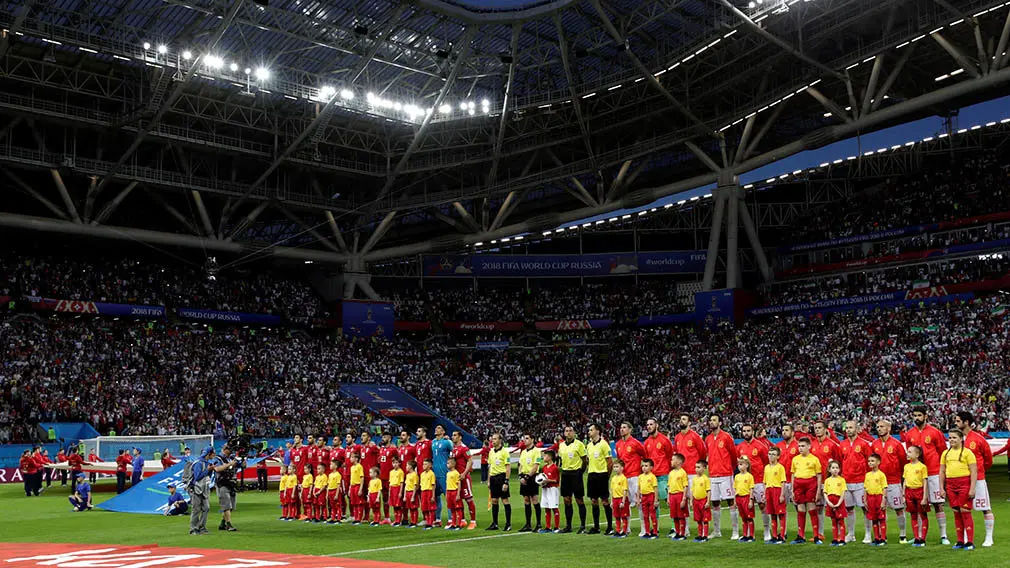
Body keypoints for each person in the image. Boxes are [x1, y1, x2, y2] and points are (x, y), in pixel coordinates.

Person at [903, 406, 949, 544]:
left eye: (919, 415)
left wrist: (943, 471)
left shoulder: (935, 432)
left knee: (938, 504)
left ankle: (943, 535)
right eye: (915, 415)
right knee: (917, 506)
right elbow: (909, 451)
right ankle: (918, 536)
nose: (917, 418)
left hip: (933, 472)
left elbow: (943, 452)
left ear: (925, 416)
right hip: (916, 475)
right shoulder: (910, 434)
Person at [955, 410, 995, 547]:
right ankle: (967, 537)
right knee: (964, 509)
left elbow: (988, 459)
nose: (955, 423)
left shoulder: (978, 439)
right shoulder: (957, 440)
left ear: (966, 422)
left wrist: (979, 472)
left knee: (985, 507)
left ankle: (989, 537)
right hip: (962, 480)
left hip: (978, 479)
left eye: (958, 421)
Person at [940, 429, 978, 550]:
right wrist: (941, 488)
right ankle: (960, 541)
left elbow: (973, 471)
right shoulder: (945, 453)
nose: (951, 440)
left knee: (965, 511)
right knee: (956, 512)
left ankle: (970, 541)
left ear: (961, 439)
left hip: (964, 483)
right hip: (951, 484)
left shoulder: (968, 453)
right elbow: (941, 471)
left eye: (954, 438)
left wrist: (972, 488)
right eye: (950, 438)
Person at [871, 419, 908, 543]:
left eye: (882, 426)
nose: (879, 428)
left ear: (889, 428)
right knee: (881, 510)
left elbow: (903, 463)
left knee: (898, 508)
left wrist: (901, 481)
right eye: (878, 426)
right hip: (878, 483)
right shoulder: (874, 444)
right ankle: (882, 535)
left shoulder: (897, 444)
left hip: (893, 482)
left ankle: (902, 534)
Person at [838, 420, 871, 544]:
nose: (848, 430)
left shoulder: (864, 444)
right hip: (846, 481)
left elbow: (870, 462)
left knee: (865, 508)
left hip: (861, 481)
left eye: (851, 427)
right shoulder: (842, 444)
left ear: (857, 429)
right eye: (847, 428)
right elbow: (840, 462)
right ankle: (851, 534)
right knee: (848, 508)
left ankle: (868, 533)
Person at [705, 414, 737, 539]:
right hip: (713, 474)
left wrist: (729, 468)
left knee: (730, 501)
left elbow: (733, 455)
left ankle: (735, 531)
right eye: (710, 420)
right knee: (715, 502)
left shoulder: (726, 437)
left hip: (725, 474)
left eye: (714, 420)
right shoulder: (707, 439)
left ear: (720, 423)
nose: (712, 422)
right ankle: (717, 531)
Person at [737, 424, 769, 541]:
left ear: (752, 431)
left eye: (748, 431)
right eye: (744, 431)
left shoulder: (760, 446)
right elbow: (738, 463)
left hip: (758, 480)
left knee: (762, 505)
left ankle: (766, 531)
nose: (746, 433)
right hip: (745, 482)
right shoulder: (739, 447)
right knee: (746, 508)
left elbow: (766, 463)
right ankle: (749, 533)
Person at [189, 446, 229, 535]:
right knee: (196, 509)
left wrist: (210, 471)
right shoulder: (198, 463)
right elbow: (197, 477)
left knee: (206, 508)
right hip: (196, 488)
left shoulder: (207, 462)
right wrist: (208, 470)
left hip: (204, 488)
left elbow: (208, 477)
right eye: (213, 453)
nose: (214, 454)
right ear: (209, 454)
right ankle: (193, 529)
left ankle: (202, 527)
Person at [810, 421, 839, 542]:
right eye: (815, 428)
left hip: (830, 481)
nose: (817, 430)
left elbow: (838, 462)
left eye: (819, 428)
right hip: (816, 481)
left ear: (825, 429)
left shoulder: (832, 444)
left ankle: (839, 534)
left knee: (834, 506)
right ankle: (820, 533)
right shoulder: (812, 445)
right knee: (818, 507)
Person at [615, 421, 646, 535]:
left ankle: (644, 528)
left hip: (634, 476)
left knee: (639, 503)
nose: (622, 429)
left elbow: (645, 455)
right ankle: (626, 528)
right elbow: (619, 460)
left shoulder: (635, 443)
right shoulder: (618, 444)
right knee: (625, 504)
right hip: (623, 478)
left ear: (630, 430)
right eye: (621, 427)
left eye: (624, 427)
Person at [790, 437, 822, 544]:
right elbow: (793, 474)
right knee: (800, 510)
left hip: (810, 484)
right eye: (799, 446)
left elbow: (819, 475)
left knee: (812, 509)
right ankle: (801, 536)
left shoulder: (814, 459)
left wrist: (818, 491)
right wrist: (792, 490)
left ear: (809, 446)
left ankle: (816, 536)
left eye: (803, 446)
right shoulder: (795, 459)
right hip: (798, 485)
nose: (800, 448)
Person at [558, 424, 587, 534]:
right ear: (564, 433)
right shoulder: (561, 446)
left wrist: (581, 471)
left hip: (576, 473)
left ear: (574, 433)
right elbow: (561, 459)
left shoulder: (579, 444)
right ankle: (568, 525)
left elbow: (584, 459)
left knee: (579, 499)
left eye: (570, 430)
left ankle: (583, 525)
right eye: (566, 431)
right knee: (566, 500)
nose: (568, 432)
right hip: (565, 474)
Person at [586, 423, 613, 535]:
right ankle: (596, 527)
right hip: (591, 475)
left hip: (601, 474)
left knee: (605, 500)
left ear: (597, 431)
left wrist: (606, 476)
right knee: (593, 500)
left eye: (591, 430)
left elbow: (610, 462)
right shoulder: (588, 445)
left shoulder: (604, 444)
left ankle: (610, 527)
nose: (589, 432)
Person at [644, 418, 674, 515]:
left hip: (663, 474)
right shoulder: (647, 442)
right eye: (648, 425)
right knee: (653, 501)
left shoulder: (664, 440)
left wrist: (669, 471)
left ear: (657, 425)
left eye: (651, 424)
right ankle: (655, 527)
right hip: (652, 476)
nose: (649, 426)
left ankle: (675, 526)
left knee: (668, 500)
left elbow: (670, 456)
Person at [449, 430, 477, 529]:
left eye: (455, 435)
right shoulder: (453, 449)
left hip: (464, 478)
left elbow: (470, 460)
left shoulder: (464, 448)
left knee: (468, 499)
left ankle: (473, 521)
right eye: (452, 435)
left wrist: (465, 473)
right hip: (456, 479)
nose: (453, 437)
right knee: (458, 500)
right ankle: (463, 520)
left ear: (460, 437)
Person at [903, 445, 929, 546]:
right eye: (907, 451)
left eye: (909, 452)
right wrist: (903, 494)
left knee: (923, 514)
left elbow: (925, 481)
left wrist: (925, 497)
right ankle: (916, 538)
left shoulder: (922, 467)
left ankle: (923, 538)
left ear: (917, 454)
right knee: (913, 515)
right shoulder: (906, 466)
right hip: (909, 492)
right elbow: (905, 480)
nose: (907, 454)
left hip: (919, 491)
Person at [485, 432, 512, 531]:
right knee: (494, 500)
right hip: (493, 478)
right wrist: (488, 480)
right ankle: (495, 523)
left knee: (505, 500)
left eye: (495, 439)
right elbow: (490, 466)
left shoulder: (505, 452)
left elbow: (508, 467)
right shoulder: (491, 451)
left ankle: (508, 523)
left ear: (500, 440)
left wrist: (506, 481)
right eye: (492, 439)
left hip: (501, 477)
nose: (493, 441)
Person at [517, 433, 542, 532]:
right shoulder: (523, 452)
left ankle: (539, 524)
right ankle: (528, 524)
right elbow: (520, 465)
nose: (525, 440)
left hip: (532, 477)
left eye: (527, 438)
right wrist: (520, 476)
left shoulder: (537, 451)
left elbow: (536, 465)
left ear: (532, 439)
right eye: (524, 439)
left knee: (534, 499)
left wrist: (527, 477)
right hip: (524, 476)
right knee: (526, 499)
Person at [430, 425, 453, 527]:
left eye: (439, 428)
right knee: (436, 497)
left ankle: (451, 519)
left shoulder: (447, 442)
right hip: (435, 474)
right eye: (436, 428)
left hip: (444, 474)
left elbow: (455, 450)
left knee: (448, 497)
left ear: (443, 431)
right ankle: (438, 519)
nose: (436, 429)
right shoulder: (433, 442)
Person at [764, 447, 787, 544]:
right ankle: (774, 536)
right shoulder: (766, 467)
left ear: (778, 456)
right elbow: (765, 482)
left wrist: (782, 495)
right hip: (769, 490)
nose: (771, 456)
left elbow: (783, 482)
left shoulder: (780, 467)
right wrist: (765, 494)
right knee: (772, 514)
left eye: (773, 454)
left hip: (777, 490)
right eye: (769, 454)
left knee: (781, 514)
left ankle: (782, 536)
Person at [215, 445, 241, 531]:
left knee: (231, 506)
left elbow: (241, 466)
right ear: (224, 449)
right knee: (226, 505)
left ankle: (223, 523)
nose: (231, 451)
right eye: (230, 449)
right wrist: (230, 464)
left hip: (231, 483)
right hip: (222, 483)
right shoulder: (218, 458)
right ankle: (228, 524)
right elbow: (217, 469)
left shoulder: (232, 458)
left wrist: (243, 462)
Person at [865, 453, 888, 546]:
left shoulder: (881, 475)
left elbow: (884, 488)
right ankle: (876, 538)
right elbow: (865, 488)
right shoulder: (867, 475)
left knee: (881, 518)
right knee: (873, 519)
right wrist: (865, 500)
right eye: (869, 461)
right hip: (870, 498)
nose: (870, 463)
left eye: (872, 461)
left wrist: (883, 500)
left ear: (878, 462)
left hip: (878, 497)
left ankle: (883, 538)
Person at [823, 460, 847, 546]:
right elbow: (825, 493)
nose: (835, 469)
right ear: (829, 469)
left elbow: (843, 493)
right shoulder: (827, 481)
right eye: (833, 468)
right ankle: (835, 539)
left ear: (839, 469)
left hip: (838, 502)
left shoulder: (842, 480)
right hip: (830, 502)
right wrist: (828, 503)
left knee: (840, 521)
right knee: (833, 521)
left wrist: (838, 503)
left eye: (837, 468)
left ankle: (842, 539)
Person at [733, 457, 755, 542]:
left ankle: (752, 536)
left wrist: (751, 500)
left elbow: (751, 489)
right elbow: (735, 489)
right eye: (739, 464)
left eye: (741, 464)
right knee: (743, 518)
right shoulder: (737, 477)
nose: (739, 466)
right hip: (739, 498)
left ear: (746, 465)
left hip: (746, 497)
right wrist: (735, 500)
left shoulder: (749, 476)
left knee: (749, 517)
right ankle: (745, 535)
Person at [668, 454, 689, 540]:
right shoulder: (671, 473)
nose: (671, 461)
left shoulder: (682, 473)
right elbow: (669, 486)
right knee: (675, 516)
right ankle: (677, 532)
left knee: (681, 516)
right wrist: (668, 497)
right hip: (672, 496)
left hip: (679, 495)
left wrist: (684, 498)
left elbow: (685, 486)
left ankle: (683, 533)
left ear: (679, 462)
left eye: (673, 460)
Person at [539, 449, 561, 533]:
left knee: (554, 507)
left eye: (545, 455)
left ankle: (556, 527)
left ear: (550, 457)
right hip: (545, 489)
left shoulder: (555, 468)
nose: (543, 457)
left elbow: (556, 480)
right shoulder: (544, 467)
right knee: (546, 507)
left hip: (553, 489)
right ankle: (548, 527)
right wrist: (542, 483)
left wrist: (548, 481)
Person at [691, 459, 712, 542]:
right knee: (698, 519)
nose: (696, 469)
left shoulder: (706, 479)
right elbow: (692, 490)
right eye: (696, 467)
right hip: (696, 501)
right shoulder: (694, 479)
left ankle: (705, 535)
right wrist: (691, 501)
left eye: (699, 467)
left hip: (703, 501)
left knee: (705, 519)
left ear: (704, 468)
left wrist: (707, 501)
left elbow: (708, 491)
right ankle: (700, 534)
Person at [378, 432, 397, 524]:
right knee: (385, 498)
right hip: (382, 477)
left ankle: (398, 518)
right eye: (382, 436)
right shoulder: (381, 450)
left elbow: (397, 462)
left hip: (391, 478)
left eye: (385, 437)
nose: (383, 438)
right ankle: (387, 517)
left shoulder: (393, 450)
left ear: (389, 439)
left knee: (394, 498)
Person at [639, 458, 659, 539]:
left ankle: (655, 532)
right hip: (643, 497)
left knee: (652, 515)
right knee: (645, 516)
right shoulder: (640, 477)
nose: (644, 467)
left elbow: (655, 489)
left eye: (646, 466)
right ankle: (647, 532)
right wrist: (638, 499)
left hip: (651, 496)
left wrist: (656, 500)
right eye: (643, 466)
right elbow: (639, 488)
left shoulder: (652, 477)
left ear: (651, 467)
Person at [609, 459, 629, 538]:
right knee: (616, 516)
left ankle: (624, 531)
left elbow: (625, 490)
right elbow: (612, 490)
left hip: (621, 499)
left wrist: (623, 501)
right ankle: (617, 530)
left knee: (623, 516)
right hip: (615, 499)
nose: (615, 468)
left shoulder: (623, 478)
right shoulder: (613, 478)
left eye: (617, 467)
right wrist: (612, 501)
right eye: (614, 467)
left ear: (622, 468)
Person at [445, 457, 462, 530]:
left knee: (457, 509)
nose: (447, 465)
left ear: (453, 464)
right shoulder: (448, 473)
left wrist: (458, 494)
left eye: (448, 463)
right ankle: (453, 523)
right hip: (449, 492)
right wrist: (446, 493)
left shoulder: (456, 473)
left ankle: (459, 524)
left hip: (454, 491)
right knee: (452, 509)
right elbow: (447, 484)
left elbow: (459, 484)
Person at [420, 458, 437, 529]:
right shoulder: (422, 474)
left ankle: (431, 522)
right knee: (425, 508)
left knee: (431, 508)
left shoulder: (431, 474)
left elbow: (433, 485)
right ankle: (427, 522)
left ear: (430, 465)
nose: (424, 466)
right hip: (423, 492)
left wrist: (433, 496)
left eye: (426, 464)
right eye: (423, 464)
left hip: (429, 492)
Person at [348, 451, 365, 524]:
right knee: (354, 503)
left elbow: (362, 477)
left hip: (357, 486)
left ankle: (359, 518)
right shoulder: (351, 467)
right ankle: (355, 518)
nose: (350, 459)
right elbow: (351, 478)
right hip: (352, 486)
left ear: (356, 459)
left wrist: (360, 488)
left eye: (352, 457)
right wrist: (349, 488)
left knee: (359, 503)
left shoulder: (359, 466)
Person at [388, 456, 404, 526]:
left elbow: (401, 483)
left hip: (397, 489)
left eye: (396, 463)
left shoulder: (401, 472)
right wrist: (389, 491)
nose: (395, 464)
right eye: (393, 463)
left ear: (399, 463)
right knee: (394, 505)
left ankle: (399, 520)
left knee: (398, 506)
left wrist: (400, 492)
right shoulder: (391, 472)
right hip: (392, 489)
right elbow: (390, 482)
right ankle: (396, 519)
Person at [404, 460, 420, 527]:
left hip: (412, 493)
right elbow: (406, 485)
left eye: (407, 465)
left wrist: (413, 496)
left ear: (410, 466)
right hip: (407, 492)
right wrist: (404, 495)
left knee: (414, 508)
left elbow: (415, 486)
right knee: (410, 508)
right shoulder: (407, 475)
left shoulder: (414, 475)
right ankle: (412, 521)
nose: (406, 467)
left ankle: (414, 522)